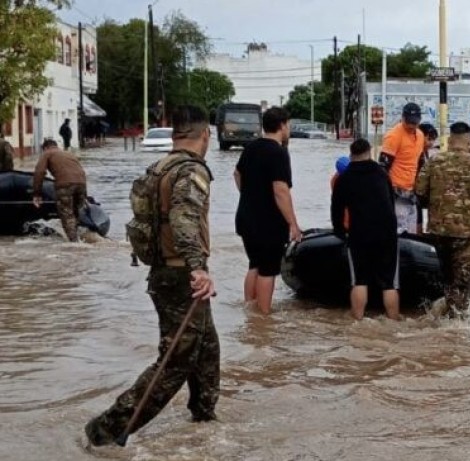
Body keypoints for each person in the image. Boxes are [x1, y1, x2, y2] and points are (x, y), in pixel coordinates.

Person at [85, 105, 218, 447]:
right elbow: (183, 220)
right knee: (174, 362)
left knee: (206, 348)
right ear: (205, 135)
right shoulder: (191, 171)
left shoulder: (158, 168)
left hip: (164, 273)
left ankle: (204, 418)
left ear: (175, 134)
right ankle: (107, 429)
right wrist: (198, 268)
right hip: (182, 276)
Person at [415, 122, 470, 317]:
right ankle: (456, 326)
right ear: (468, 140)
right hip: (465, 232)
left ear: (450, 139)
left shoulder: (434, 161)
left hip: (438, 230)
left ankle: (445, 317)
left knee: (447, 276)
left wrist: (436, 206)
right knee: (462, 281)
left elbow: (419, 191)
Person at [234, 106, 302, 315]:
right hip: (268, 222)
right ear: (282, 126)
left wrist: (249, 195)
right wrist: (293, 223)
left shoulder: (251, 147)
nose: (289, 129)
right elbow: (280, 190)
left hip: (246, 217)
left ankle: (250, 310)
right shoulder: (278, 153)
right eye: (288, 125)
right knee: (268, 269)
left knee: (254, 264)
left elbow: (237, 174)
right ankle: (263, 317)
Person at [331, 139, 400, 321]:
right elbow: (391, 203)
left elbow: (336, 209)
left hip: (360, 232)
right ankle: (393, 321)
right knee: (389, 282)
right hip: (387, 232)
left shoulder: (345, 178)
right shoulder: (382, 173)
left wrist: (339, 232)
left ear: (351, 153)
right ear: (370, 152)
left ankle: (358, 322)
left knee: (359, 280)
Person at [380, 102, 425, 234]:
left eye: (415, 123)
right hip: (396, 191)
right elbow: (383, 167)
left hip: (411, 192)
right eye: (409, 122)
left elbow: (420, 162)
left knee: (411, 231)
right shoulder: (393, 136)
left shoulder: (420, 135)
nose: (411, 126)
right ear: (403, 118)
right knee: (399, 230)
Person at [32, 139, 88, 242]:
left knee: (67, 214)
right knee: (78, 212)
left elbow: (39, 172)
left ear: (45, 148)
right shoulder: (68, 153)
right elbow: (81, 170)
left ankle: (75, 243)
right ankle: (84, 237)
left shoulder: (47, 153)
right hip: (82, 183)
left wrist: (37, 193)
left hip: (65, 185)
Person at [416, 123, 438, 234]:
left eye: (433, 140)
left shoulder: (424, 151)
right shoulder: (415, 151)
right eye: (429, 139)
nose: (431, 143)